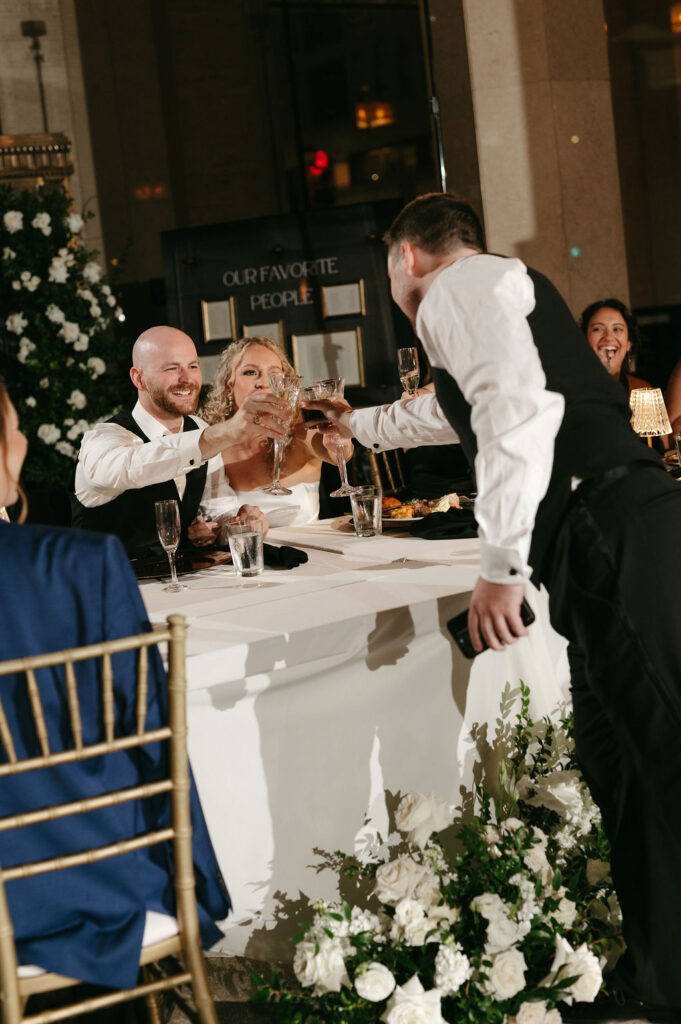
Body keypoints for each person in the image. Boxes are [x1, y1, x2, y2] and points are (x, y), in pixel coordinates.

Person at [307, 192, 681, 1023]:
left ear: (406, 257)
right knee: (620, 771)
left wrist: (500, 566)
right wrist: (357, 426)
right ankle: (662, 982)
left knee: (665, 754)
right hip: (601, 540)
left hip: (605, 526)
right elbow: (459, 408)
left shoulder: (455, 287)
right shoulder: (491, 294)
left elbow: (514, 411)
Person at [0, 380, 230, 988]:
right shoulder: (76, 564)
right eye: (15, 428)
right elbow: (151, 735)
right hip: (83, 883)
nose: (23, 441)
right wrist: (195, 877)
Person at [73, 325, 288, 557]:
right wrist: (224, 433)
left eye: (193, 366)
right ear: (139, 378)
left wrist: (240, 525)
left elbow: (218, 511)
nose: (187, 379)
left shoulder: (200, 429)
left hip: (184, 576)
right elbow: (131, 466)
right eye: (171, 368)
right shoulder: (102, 439)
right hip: (108, 576)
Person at [199, 336, 354, 528]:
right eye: (250, 372)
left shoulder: (300, 426)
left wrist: (341, 441)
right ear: (227, 388)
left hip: (307, 546)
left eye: (274, 374)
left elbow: (334, 452)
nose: (264, 382)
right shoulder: (213, 440)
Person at [579, 298, 650, 394]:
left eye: (617, 329)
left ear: (629, 343)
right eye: (597, 329)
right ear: (584, 340)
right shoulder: (567, 391)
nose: (608, 337)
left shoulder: (642, 391)